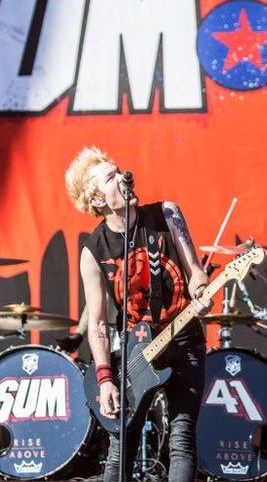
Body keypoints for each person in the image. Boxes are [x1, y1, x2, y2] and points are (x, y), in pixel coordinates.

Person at [64, 145, 211, 482]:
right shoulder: (93, 250)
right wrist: (104, 380)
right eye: (110, 177)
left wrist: (201, 292)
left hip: (184, 339)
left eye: (119, 172)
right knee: (122, 445)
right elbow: (98, 325)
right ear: (97, 200)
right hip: (135, 352)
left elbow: (195, 273)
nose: (122, 178)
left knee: (182, 439)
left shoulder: (167, 214)